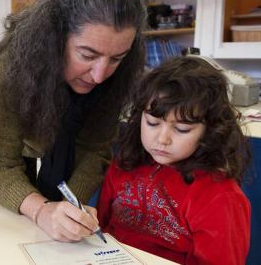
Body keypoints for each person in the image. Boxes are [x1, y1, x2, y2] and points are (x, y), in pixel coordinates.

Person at [0, 0, 146, 242]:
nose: (100, 75)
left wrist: (69, 209)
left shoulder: (117, 76)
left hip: (70, 159)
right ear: (56, 38)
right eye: (87, 54)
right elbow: (0, 163)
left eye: (117, 58)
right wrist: (41, 210)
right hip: (27, 156)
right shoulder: (15, 61)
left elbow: (95, 151)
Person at [97, 56, 252, 264]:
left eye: (182, 129)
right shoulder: (125, 163)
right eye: (152, 123)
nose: (162, 139)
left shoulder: (220, 197)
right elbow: (100, 230)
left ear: (211, 131)